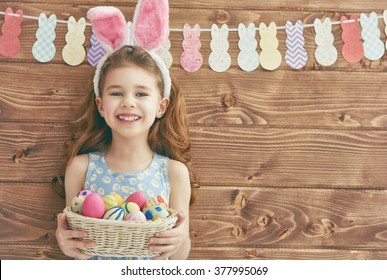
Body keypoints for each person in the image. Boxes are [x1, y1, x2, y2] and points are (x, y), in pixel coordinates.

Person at [53, 45, 198, 260]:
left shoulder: (174, 172)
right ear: (101, 106)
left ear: (161, 106)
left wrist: (178, 240)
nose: (128, 102)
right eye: (116, 93)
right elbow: (75, 242)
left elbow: (178, 258)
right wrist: (64, 240)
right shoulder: (81, 168)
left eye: (141, 93)